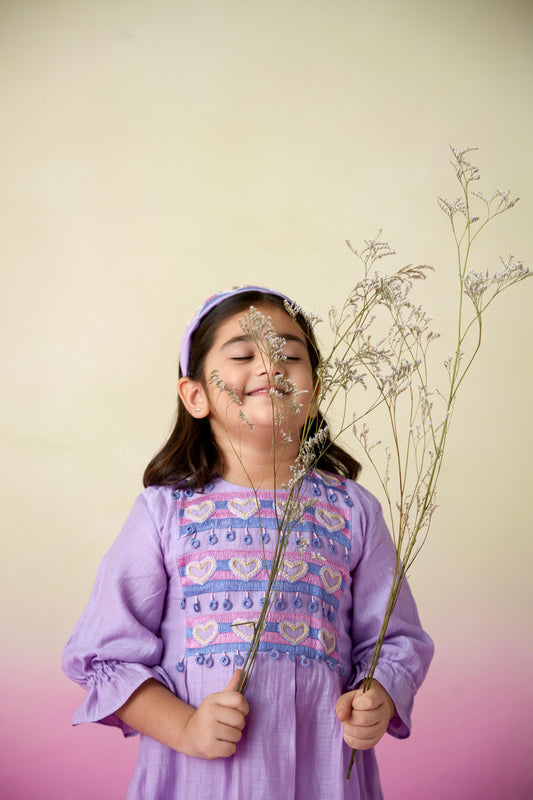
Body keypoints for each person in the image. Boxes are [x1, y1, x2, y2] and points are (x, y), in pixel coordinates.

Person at [62, 285, 434, 800]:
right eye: (242, 354)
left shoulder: (352, 510)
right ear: (195, 395)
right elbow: (106, 657)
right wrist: (185, 729)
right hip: (198, 781)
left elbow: (397, 641)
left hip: (324, 778)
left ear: (317, 387)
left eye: (290, 354)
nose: (269, 366)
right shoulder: (166, 513)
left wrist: (380, 696)